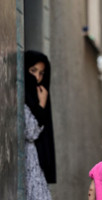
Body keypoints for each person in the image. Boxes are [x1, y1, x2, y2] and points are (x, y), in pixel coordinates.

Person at [24, 50, 54, 199]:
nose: (37, 77)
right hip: (25, 162)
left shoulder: (37, 96)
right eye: (33, 70)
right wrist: (41, 105)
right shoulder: (21, 98)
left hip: (35, 164)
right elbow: (30, 132)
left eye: (41, 73)